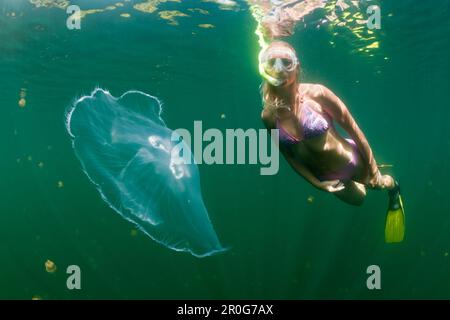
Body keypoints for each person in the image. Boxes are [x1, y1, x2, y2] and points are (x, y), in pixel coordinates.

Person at [259, 41, 405, 242]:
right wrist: (318, 184)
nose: (280, 70)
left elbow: (354, 129)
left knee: (378, 185)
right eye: (272, 63)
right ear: (264, 68)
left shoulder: (317, 94)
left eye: (286, 62)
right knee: (359, 200)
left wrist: (372, 171)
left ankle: (393, 187)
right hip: (327, 177)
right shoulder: (268, 116)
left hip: (349, 161)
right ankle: (372, 175)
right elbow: (290, 157)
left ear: (297, 67)